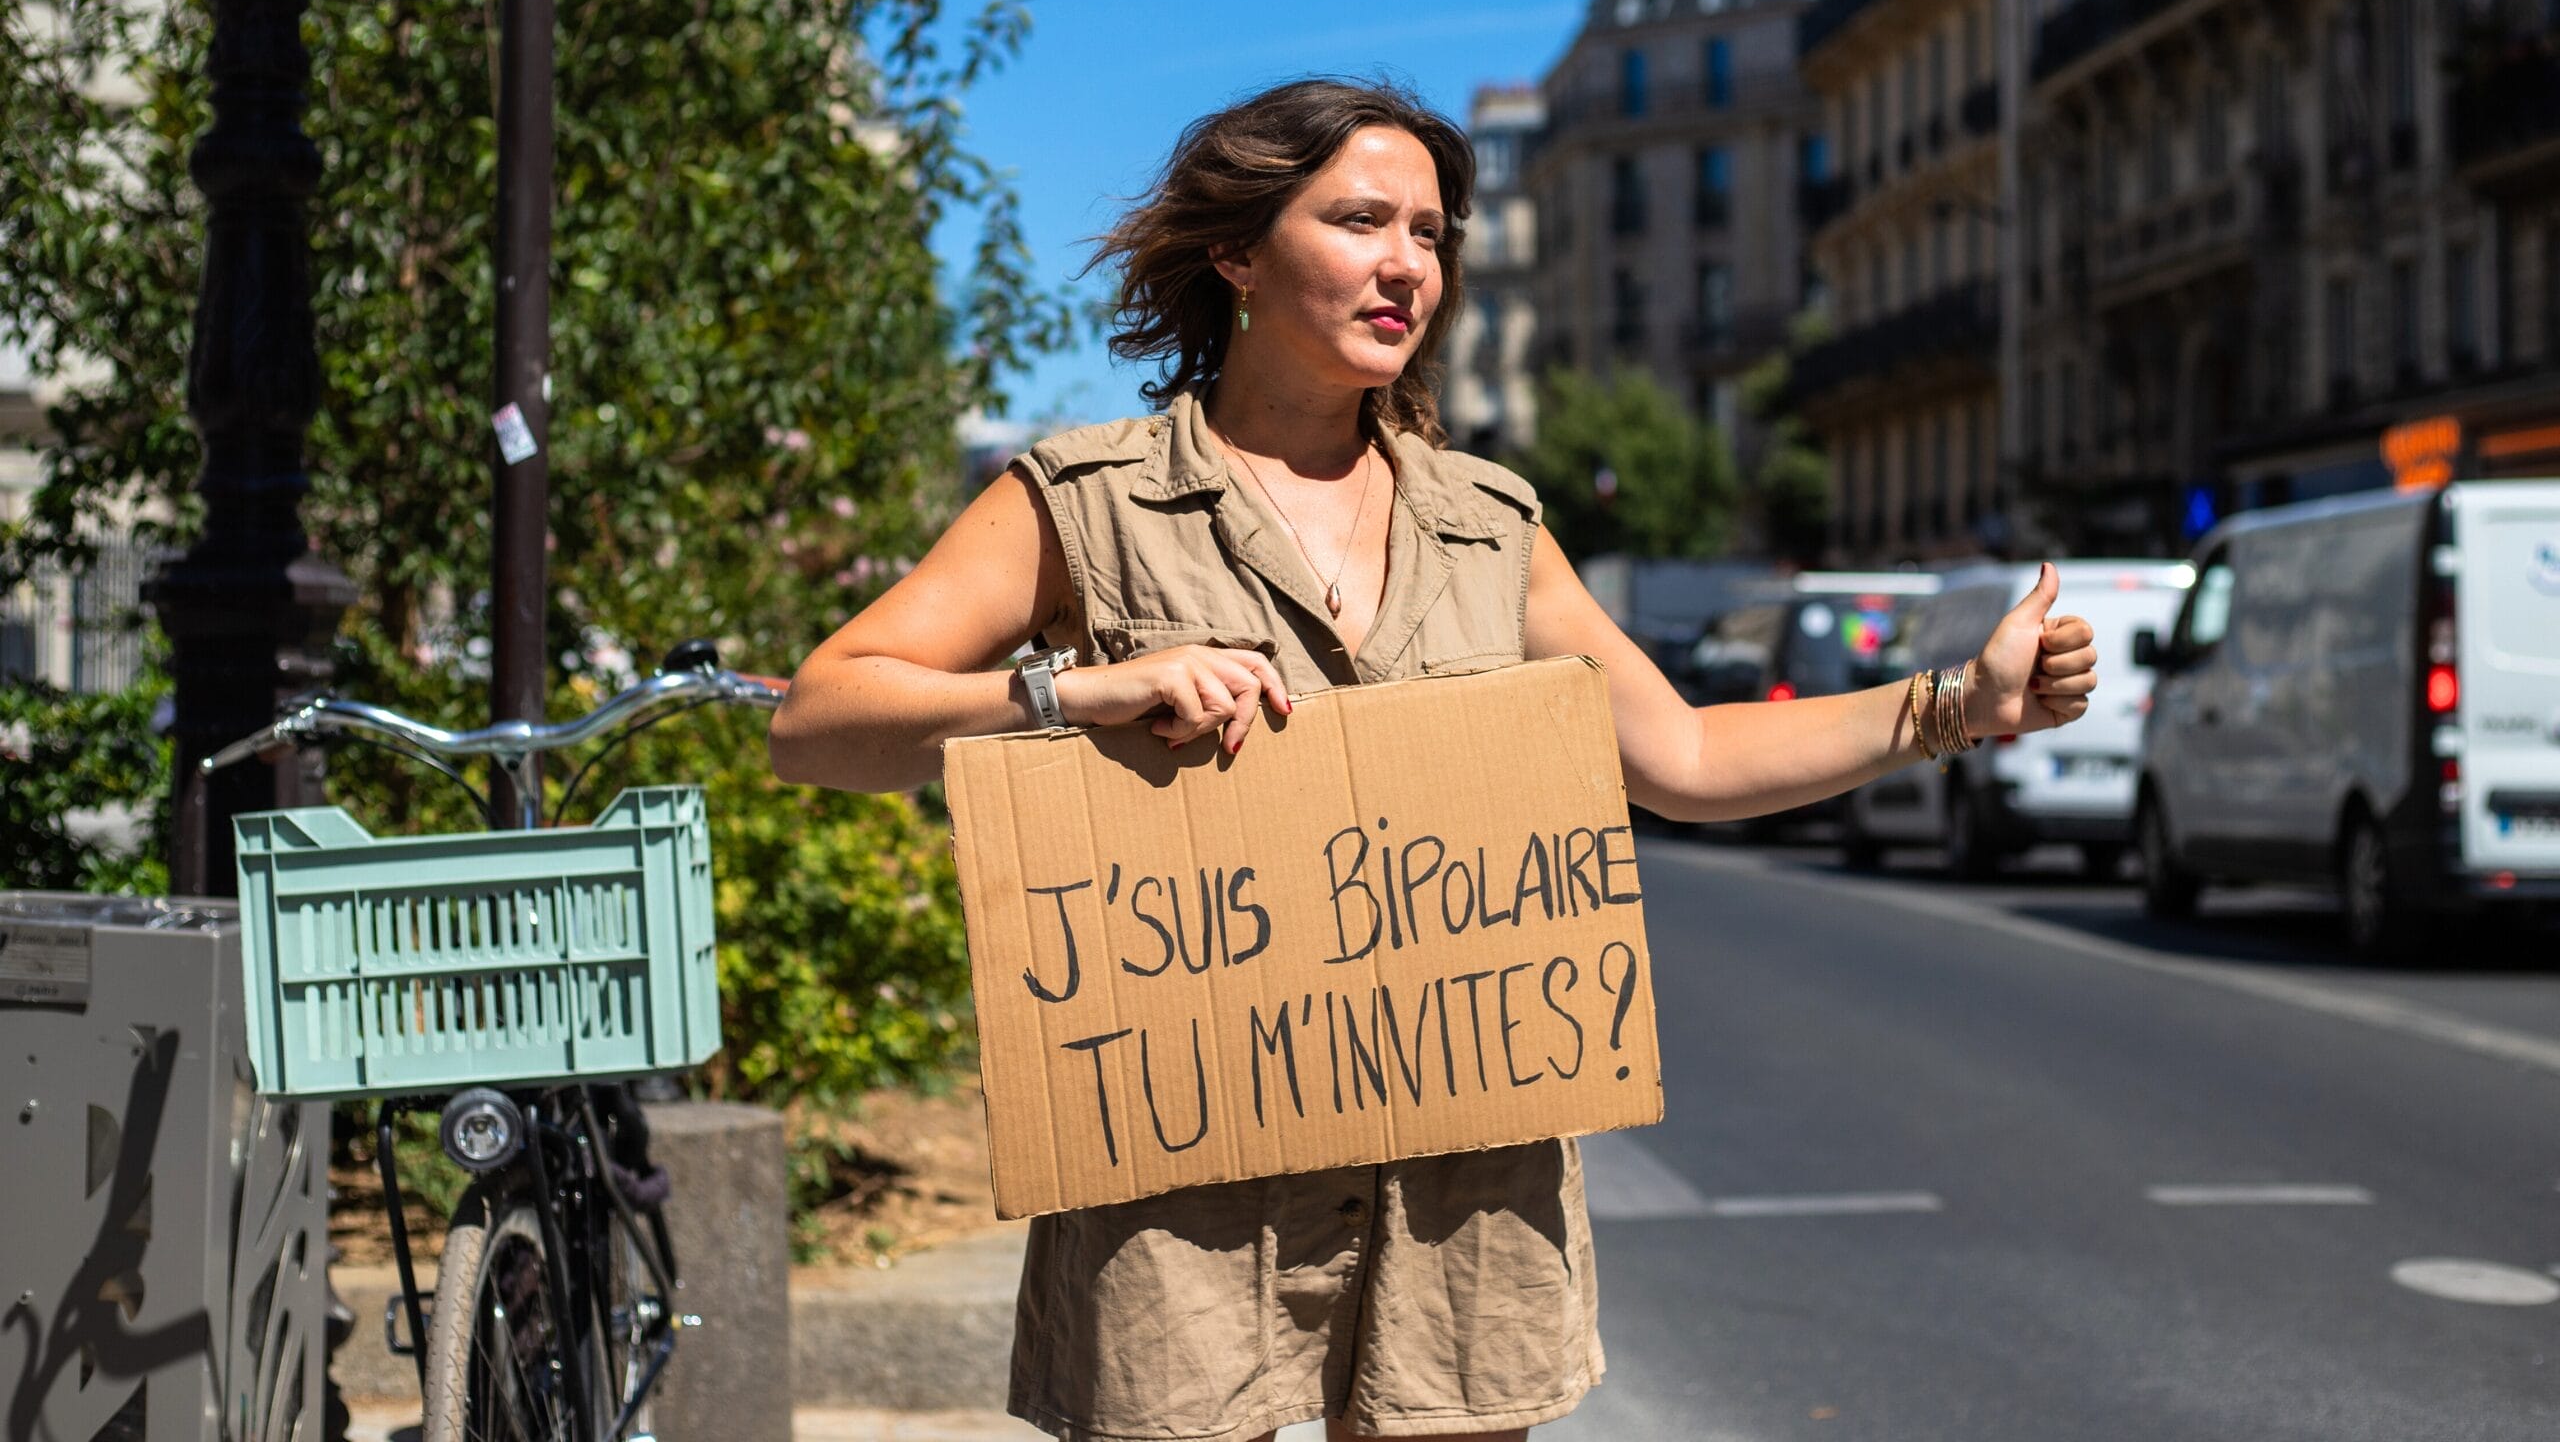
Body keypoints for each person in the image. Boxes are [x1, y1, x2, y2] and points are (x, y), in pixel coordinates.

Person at [770, 76, 2099, 1442]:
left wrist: (1959, 701)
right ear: (1236, 251)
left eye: (1432, 231)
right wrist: (1089, 689)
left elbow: (1687, 756)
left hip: (1459, 1195)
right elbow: (819, 720)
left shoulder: (1490, 522)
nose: (1408, 261)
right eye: (1359, 220)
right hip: (1187, 1201)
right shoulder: (1087, 499)